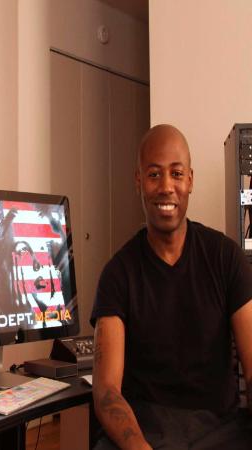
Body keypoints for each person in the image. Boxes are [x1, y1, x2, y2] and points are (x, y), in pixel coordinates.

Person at [91, 124, 252, 449]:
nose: (166, 187)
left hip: (222, 431)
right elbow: (107, 391)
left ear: (189, 180)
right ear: (138, 181)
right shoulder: (117, 274)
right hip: (146, 432)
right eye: (154, 175)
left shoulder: (226, 258)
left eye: (176, 174)